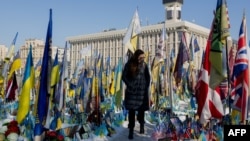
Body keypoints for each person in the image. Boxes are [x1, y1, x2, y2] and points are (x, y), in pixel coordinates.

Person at [122, 49, 151, 140]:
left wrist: (145, 86)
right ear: (137, 56)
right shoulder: (129, 64)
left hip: (141, 93)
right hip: (132, 93)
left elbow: (148, 77)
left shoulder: (144, 65)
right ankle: (131, 130)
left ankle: (142, 125)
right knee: (131, 112)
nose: (142, 59)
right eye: (141, 57)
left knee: (141, 111)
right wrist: (130, 85)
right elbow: (124, 76)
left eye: (143, 57)